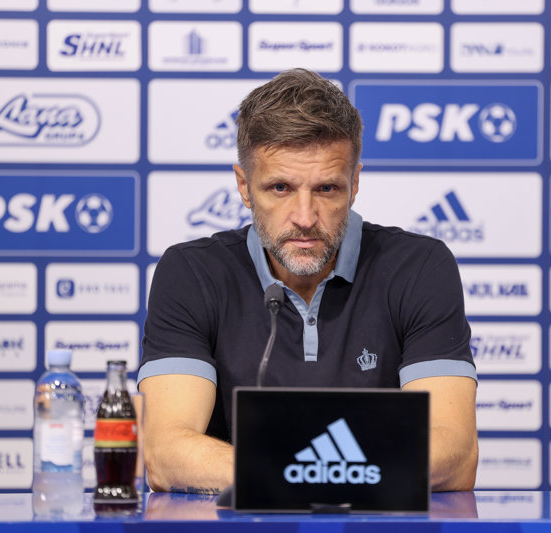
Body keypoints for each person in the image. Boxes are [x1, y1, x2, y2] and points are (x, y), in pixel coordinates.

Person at [139, 68, 478, 494]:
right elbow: (165, 454)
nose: (304, 217)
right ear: (244, 186)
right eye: (280, 188)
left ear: (355, 184)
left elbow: (455, 454)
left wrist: (286, 472)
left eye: (326, 189)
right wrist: (321, 472)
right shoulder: (192, 273)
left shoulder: (419, 267)